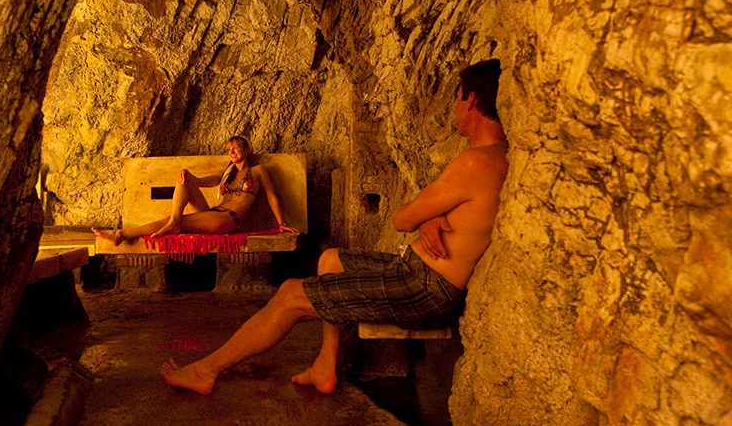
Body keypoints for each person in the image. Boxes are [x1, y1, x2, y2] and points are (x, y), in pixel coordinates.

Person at [161, 59, 508, 395]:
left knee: (290, 295)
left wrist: (425, 216)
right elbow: (448, 211)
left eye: (458, 98)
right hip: (416, 273)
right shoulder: (494, 158)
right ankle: (325, 366)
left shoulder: (475, 161)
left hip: (422, 288)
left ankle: (205, 371)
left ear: (472, 100)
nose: (456, 107)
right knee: (329, 261)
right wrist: (432, 216)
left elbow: (403, 219)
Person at [93, 136, 298, 245]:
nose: (232, 152)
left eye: (236, 148)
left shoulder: (258, 171)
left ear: (247, 150)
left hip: (228, 220)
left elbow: (272, 196)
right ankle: (170, 223)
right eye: (229, 149)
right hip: (213, 214)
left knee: (172, 220)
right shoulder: (227, 173)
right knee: (185, 178)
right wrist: (188, 177)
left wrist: (282, 223)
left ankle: (122, 234)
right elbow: (204, 181)